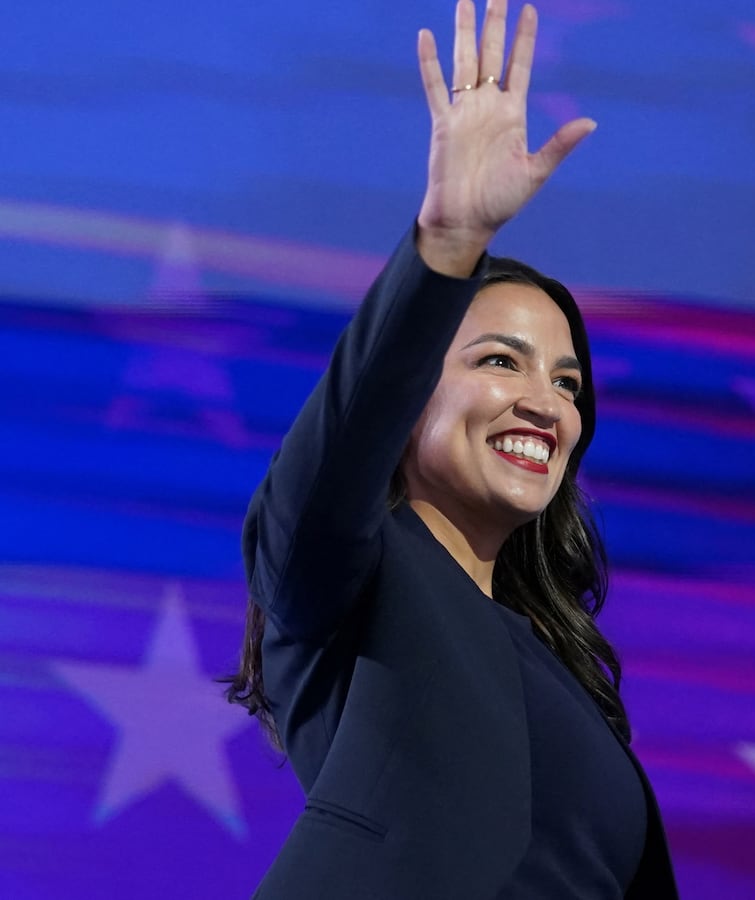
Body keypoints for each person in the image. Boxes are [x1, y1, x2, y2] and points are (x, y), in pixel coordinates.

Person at [222, 1, 678, 896]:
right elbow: (338, 450)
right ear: (406, 398)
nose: (545, 404)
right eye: (500, 361)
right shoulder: (346, 576)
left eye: (567, 383)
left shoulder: (551, 666)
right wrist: (450, 243)